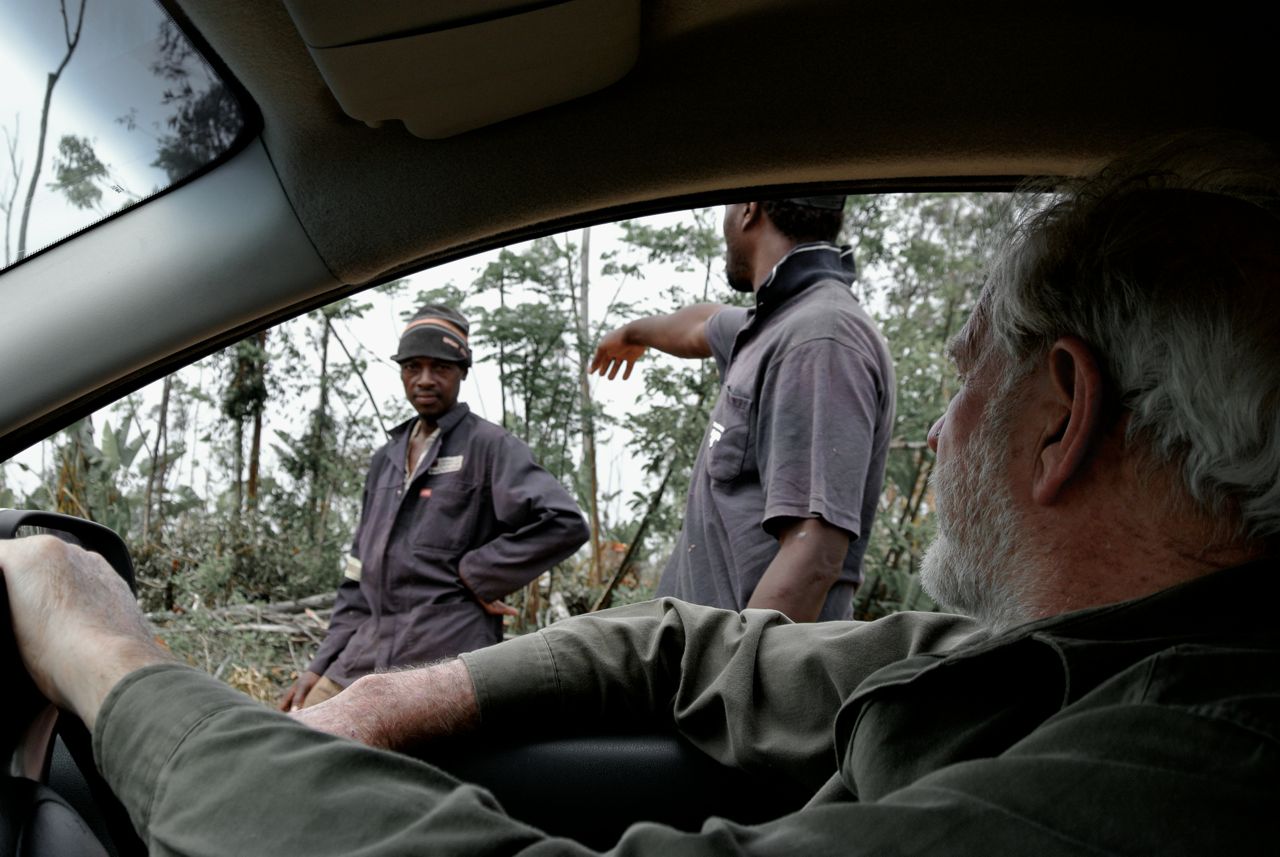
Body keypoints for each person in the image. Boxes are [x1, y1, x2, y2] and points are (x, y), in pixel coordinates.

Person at [2, 136, 1277, 855]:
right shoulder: (1035, 656)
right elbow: (687, 637)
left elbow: (809, 537)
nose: (936, 433)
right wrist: (374, 684)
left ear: (1061, 412)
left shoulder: (1187, 778)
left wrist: (111, 660)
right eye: (413, 363)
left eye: (965, 382)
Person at [591, 197, 895, 621]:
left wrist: (730, 664)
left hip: (733, 660)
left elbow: (815, 553)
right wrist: (631, 333)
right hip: (693, 652)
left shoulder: (819, 338)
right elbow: (700, 324)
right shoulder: (774, 325)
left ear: (749, 209)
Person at [278, 304, 590, 710]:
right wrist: (319, 665)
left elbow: (564, 522)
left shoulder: (488, 446)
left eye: (440, 367)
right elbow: (358, 575)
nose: (425, 379)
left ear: (462, 371)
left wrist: (479, 576)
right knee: (300, 727)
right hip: (364, 655)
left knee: (392, 745)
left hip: (445, 654)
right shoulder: (386, 459)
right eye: (413, 367)